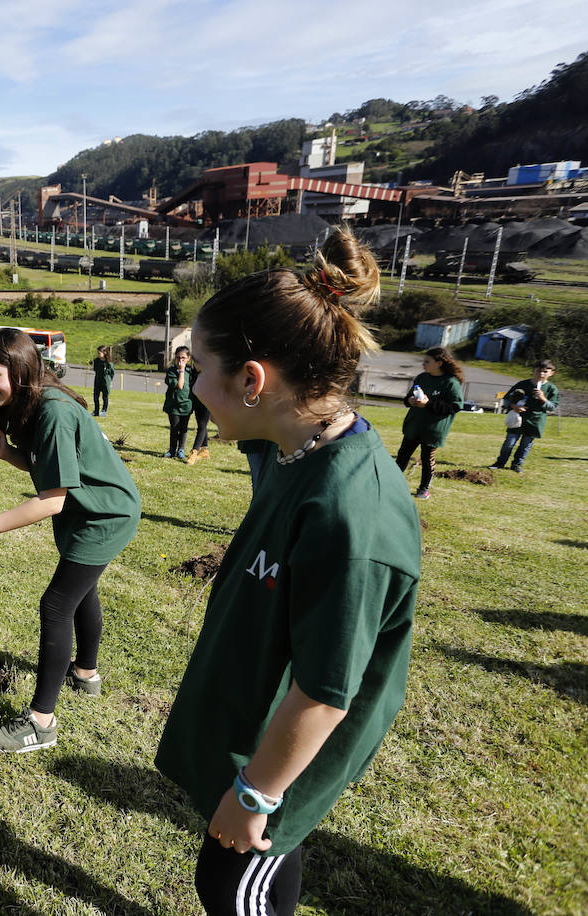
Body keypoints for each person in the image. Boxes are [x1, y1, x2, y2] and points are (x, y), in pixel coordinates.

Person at [154, 229, 420, 916]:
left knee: (232, 888)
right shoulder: (289, 448)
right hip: (253, 738)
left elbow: (325, 693)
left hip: (276, 768)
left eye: (198, 368)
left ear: (252, 381)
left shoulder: (350, 514)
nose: (190, 386)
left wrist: (255, 798)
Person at [0, 328, 140, 752]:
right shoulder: (31, 403)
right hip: (83, 510)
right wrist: (4, 453)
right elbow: (42, 465)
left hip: (104, 515)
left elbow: (52, 499)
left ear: (19, 370)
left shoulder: (53, 410)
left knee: (56, 603)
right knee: (80, 592)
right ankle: (86, 674)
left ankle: (41, 722)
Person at [394, 347, 464, 499]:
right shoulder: (422, 378)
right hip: (414, 426)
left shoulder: (450, 383)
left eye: (427, 361)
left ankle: (424, 489)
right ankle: (392, 484)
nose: (423, 364)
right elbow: (408, 398)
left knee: (427, 459)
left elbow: (456, 406)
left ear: (439, 363)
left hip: (433, 430)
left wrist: (429, 404)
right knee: (402, 456)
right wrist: (409, 400)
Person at [491, 359, 558, 474]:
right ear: (533, 371)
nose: (541, 374)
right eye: (538, 371)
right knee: (509, 443)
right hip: (517, 418)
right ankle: (500, 463)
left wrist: (543, 398)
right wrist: (513, 406)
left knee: (525, 445)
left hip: (535, 420)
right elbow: (507, 399)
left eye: (545, 371)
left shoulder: (552, 389)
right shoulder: (523, 384)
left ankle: (517, 464)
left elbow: (552, 407)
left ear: (551, 373)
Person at [163, 345, 193, 459]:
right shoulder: (171, 371)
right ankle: (172, 450)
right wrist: (181, 370)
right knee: (175, 428)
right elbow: (179, 386)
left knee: (184, 428)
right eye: (178, 358)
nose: (180, 360)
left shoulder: (190, 371)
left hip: (187, 404)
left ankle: (181, 449)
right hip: (174, 405)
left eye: (183, 358)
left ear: (188, 358)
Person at [185, 351, 214, 465]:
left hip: (206, 402)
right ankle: (205, 450)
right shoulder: (193, 371)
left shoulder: (209, 372)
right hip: (196, 401)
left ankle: (194, 452)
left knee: (202, 426)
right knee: (201, 425)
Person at [91, 344, 114, 416]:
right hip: (98, 380)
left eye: (99, 353)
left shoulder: (109, 363)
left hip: (105, 381)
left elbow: (112, 373)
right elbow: (95, 369)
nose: (98, 354)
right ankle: (96, 411)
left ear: (105, 353)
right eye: (97, 353)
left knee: (105, 397)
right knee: (95, 396)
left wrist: (110, 382)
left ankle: (104, 411)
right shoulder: (96, 361)